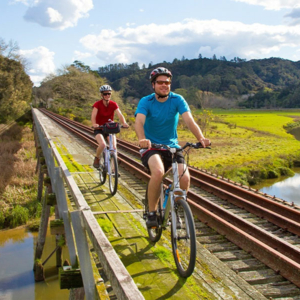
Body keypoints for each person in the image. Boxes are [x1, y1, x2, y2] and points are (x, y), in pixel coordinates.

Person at [134, 67, 210, 228]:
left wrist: (201, 138)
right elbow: (139, 121)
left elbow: (189, 120)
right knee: (159, 172)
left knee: (185, 179)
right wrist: (142, 139)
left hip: (172, 147)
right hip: (151, 147)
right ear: (153, 85)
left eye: (167, 82)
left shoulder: (177, 99)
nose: (164, 85)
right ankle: (152, 213)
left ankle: (174, 208)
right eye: (160, 82)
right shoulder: (145, 101)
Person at [91, 84, 129, 169]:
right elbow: (93, 115)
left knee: (114, 148)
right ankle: (97, 157)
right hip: (99, 129)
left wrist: (124, 123)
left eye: (109, 93)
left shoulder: (113, 104)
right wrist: (94, 124)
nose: (107, 95)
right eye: (105, 94)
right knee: (103, 145)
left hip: (109, 128)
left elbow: (120, 114)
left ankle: (113, 170)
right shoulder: (97, 104)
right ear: (101, 95)